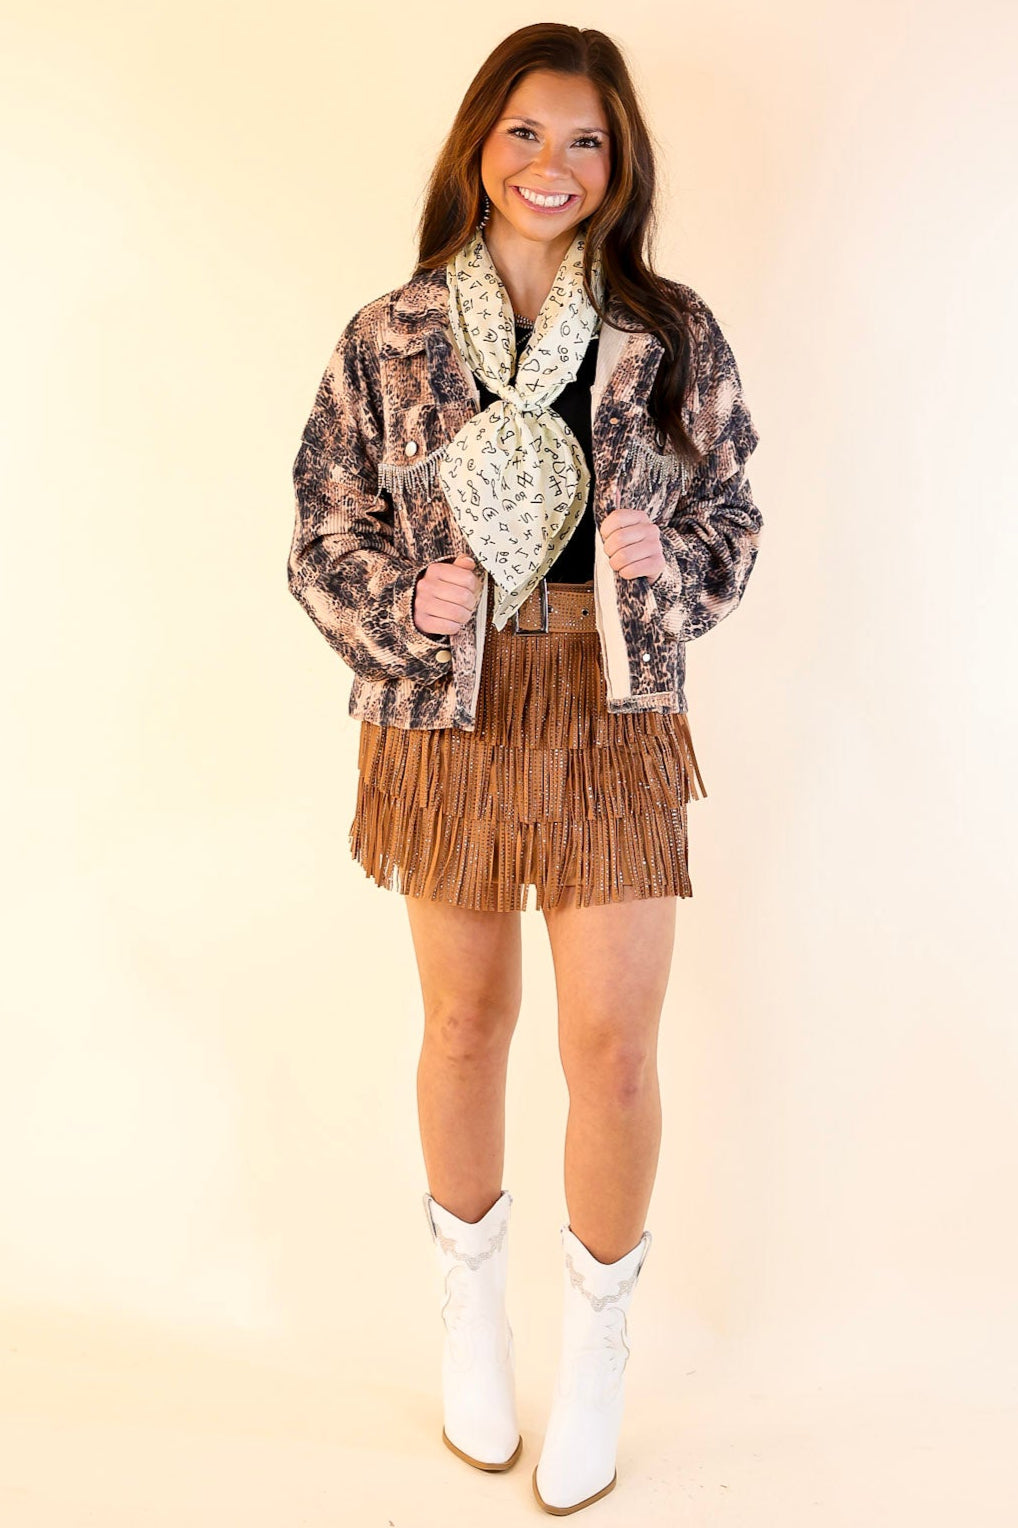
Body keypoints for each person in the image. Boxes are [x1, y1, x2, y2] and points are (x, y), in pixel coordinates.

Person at [288, 22, 763, 1516]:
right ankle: (471, 1323)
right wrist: (402, 602)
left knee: (612, 1051)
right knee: (462, 1024)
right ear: (477, 146)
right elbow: (321, 529)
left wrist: (662, 563)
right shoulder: (392, 334)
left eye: (584, 141)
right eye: (525, 134)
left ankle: (600, 1355)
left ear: (619, 165)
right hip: (450, 711)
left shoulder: (667, 332)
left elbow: (734, 520)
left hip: (612, 707)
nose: (551, 166)